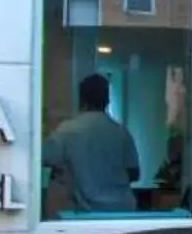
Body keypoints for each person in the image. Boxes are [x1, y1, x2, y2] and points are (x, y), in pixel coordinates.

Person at [41, 74, 143, 214]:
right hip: (122, 211)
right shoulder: (120, 132)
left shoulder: (68, 130)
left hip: (85, 213)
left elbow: (42, 158)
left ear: (81, 99)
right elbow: (134, 173)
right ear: (107, 100)